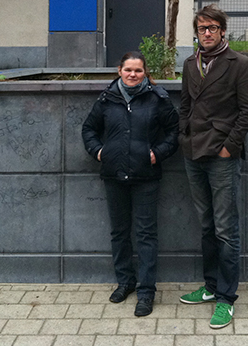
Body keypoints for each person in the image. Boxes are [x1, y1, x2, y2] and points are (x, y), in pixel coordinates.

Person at [178, 4, 248, 329]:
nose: (207, 33)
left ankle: (226, 298)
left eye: (212, 28)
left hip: (221, 155)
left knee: (226, 228)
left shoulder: (240, 64)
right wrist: (183, 135)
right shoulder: (189, 64)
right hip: (193, 153)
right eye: (201, 29)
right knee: (207, 224)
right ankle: (210, 287)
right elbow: (184, 104)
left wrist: (229, 148)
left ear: (222, 30)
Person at [82, 51, 179, 317]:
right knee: (119, 233)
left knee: (146, 235)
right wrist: (99, 152)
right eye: (128, 70)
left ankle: (146, 292)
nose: (133, 75)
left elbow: (174, 131)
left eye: (138, 70)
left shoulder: (158, 99)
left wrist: (156, 153)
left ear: (145, 72)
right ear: (119, 70)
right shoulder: (106, 98)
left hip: (145, 176)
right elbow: (88, 129)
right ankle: (125, 283)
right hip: (114, 175)